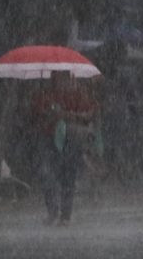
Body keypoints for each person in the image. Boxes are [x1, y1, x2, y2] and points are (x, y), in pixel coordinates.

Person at [25, 73, 100, 226]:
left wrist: (68, 115)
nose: (60, 79)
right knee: (46, 173)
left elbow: (89, 113)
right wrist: (49, 115)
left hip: (70, 139)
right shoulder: (44, 93)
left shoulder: (78, 91)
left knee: (68, 176)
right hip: (47, 137)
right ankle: (53, 210)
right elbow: (35, 113)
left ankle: (65, 215)